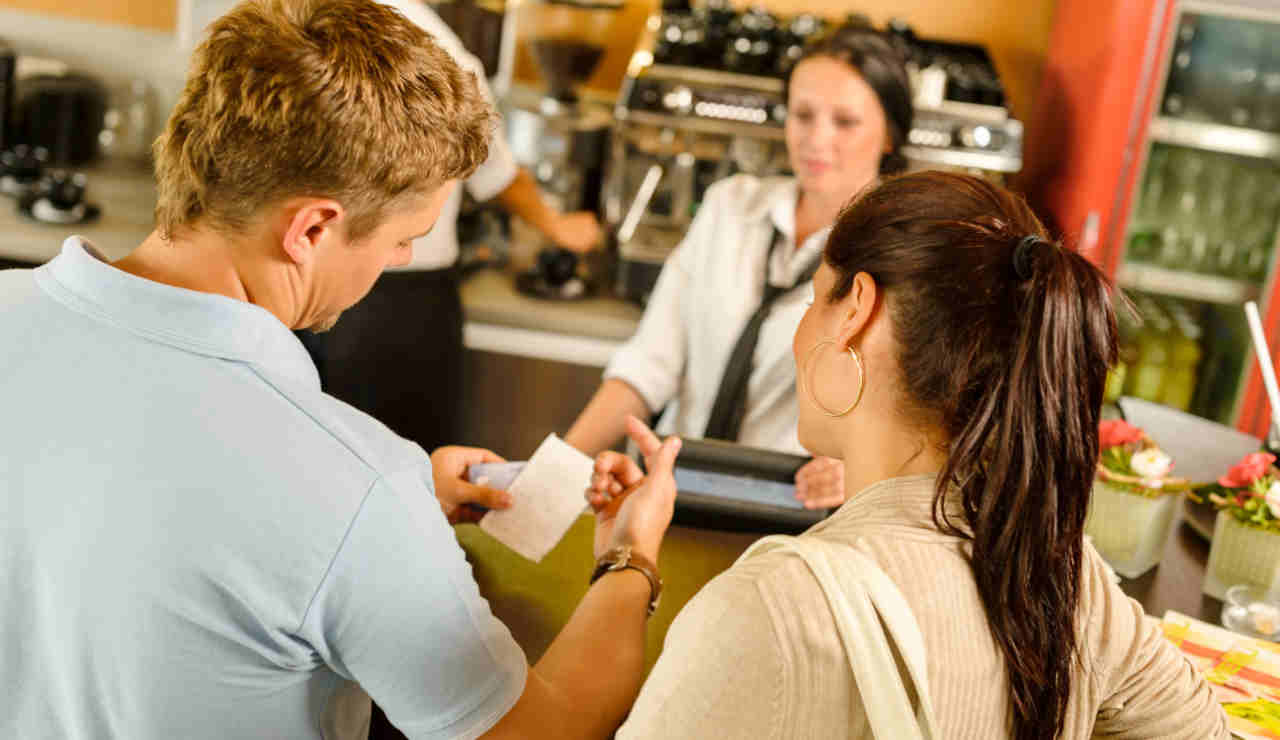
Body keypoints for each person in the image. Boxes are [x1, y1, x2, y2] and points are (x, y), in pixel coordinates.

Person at [0, 2, 678, 738]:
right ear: (313, 229)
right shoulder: (358, 492)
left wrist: (403, 495)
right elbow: (542, 731)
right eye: (402, 237)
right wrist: (629, 558)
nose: (403, 260)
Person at [594, 171, 1230, 738]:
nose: (800, 333)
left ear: (857, 312)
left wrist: (626, 565)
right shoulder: (1064, 577)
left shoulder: (768, 609)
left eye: (817, 299)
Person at [566, 25, 913, 510]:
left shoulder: (903, 256)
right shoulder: (728, 206)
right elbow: (648, 366)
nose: (816, 139)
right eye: (803, 115)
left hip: (786, 514)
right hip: (669, 490)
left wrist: (862, 462)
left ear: (890, 135)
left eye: (845, 121)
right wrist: (555, 472)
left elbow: (911, 422)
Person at [306, 0, 603, 454]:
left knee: (325, 454)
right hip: (399, 307)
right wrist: (557, 226)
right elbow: (495, 173)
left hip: (316, 279)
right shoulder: (437, 52)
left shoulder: (308, 27)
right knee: (403, 461)